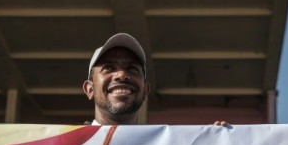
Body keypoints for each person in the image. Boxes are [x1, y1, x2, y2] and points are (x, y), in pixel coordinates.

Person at [84, 33, 228, 126]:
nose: (121, 75)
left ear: (146, 90)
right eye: (109, 68)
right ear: (90, 89)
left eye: (132, 69)